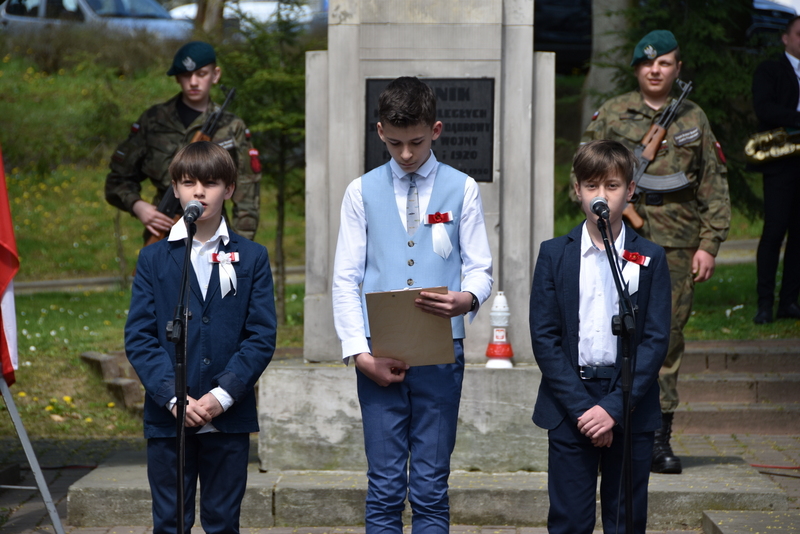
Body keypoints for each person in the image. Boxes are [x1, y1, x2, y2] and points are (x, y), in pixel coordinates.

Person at [331, 76, 493, 533]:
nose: (406, 154)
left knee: (429, 486)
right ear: (379, 131)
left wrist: (467, 298)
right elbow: (346, 277)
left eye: (417, 142)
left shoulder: (462, 188)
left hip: (441, 354)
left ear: (436, 130)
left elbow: (480, 267)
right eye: (396, 142)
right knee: (383, 485)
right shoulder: (359, 192)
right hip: (378, 352)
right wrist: (359, 354)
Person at [575, 29, 730, 474]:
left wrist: (709, 243)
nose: (655, 69)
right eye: (646, 63)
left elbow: (713, 184)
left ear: (677, 67)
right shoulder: (613, 114)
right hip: (618, 239)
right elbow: (583, 172)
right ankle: (609, 420)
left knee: (666, 339)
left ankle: (658, 438)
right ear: (637, 69)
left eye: (664, 62)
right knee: (613, 329)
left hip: (678, 244)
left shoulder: (693, 117)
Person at [124, 141, 276, 533]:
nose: (199, 192)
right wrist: (174, 397)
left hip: (227, 416)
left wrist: (221, 396)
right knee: (171, 521)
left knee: (223, 521)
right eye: (188, 182)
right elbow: (140, 336)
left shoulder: (253, 257)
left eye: (210, 183)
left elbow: (260, 335)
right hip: (169, 416)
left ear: (230, 189)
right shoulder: (154, 258)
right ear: (175, 189)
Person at [531, 139, 670, 534]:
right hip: (569, 401)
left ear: (630, 191)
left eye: (611, 186)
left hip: (630, 401)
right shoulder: (555, 254)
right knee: (570, 520)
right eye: (592, 186)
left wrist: (612, 408)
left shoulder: (651, 258)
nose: (601, 196)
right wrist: (583, 408)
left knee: (625, 519)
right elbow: (544, 337)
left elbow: (655, 339)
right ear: (577, 191)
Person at [105, 41, 262, 242]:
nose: (194, 82)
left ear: (215, 75)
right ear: (178, 77)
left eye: (201, 74)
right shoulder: (154, 121)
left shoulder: (232, 127)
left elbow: (247, 195)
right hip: (163, 235)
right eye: (187, 75)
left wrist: (241, 247)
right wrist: (138, 206)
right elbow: (117, 179)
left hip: (214, 238)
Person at [751, 15, 800, 324]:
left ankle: (789, 302)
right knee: (774, 231)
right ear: (786, 38)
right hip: (781, 165)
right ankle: (765, 303)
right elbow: (764, 108)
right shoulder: (770, 69)